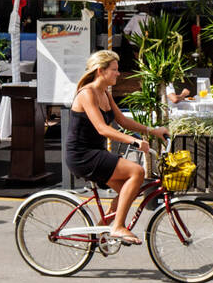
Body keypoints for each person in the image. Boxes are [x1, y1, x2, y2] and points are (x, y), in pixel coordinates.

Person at [64, 50, 167, 245]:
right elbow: (102, 128)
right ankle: (118, 227)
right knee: (137, 172)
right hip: (82, 155)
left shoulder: (105, 93)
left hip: (96, 152)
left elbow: (122, 121)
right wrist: (133, 141)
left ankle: (103, 229)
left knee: (131, 190)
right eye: (114, 70)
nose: (118, 74)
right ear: (101, 71)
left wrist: (152, 131)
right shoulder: (87, 93)